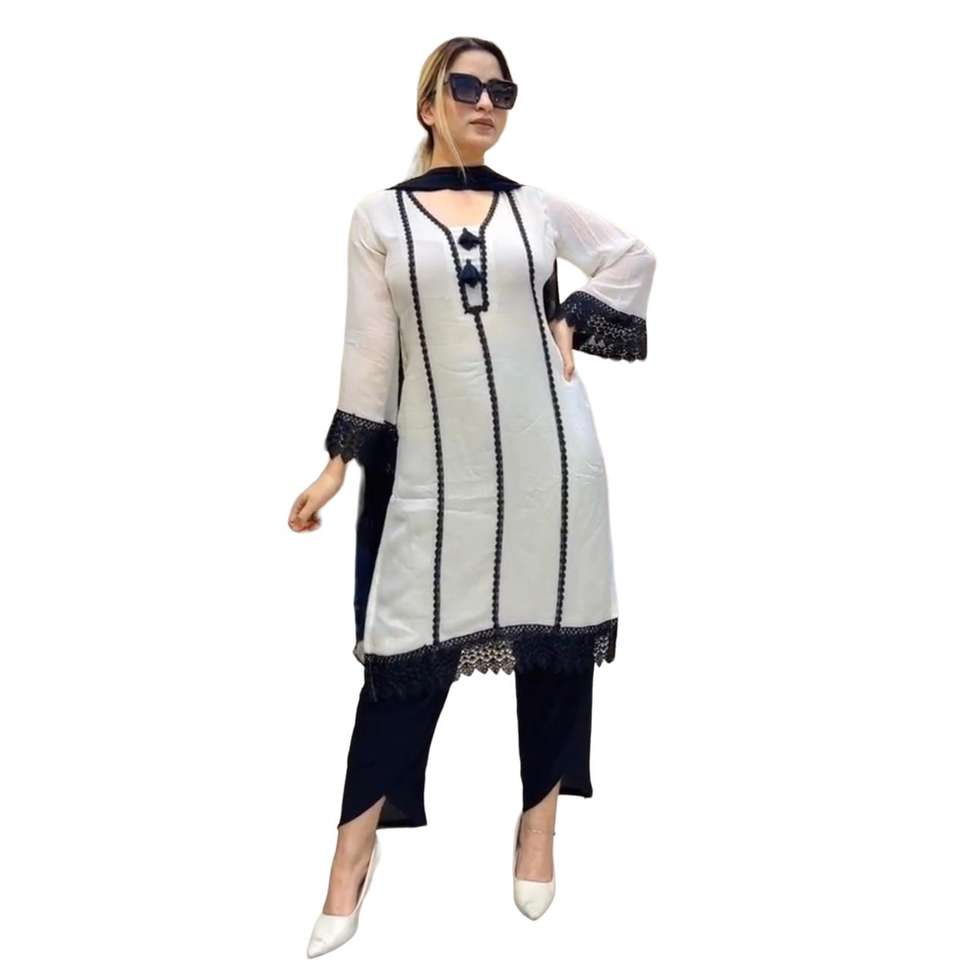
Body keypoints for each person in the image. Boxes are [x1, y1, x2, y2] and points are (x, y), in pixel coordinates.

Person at [287, 35, 656, 955]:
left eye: (501, 90)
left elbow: (631, 255)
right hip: (438, 474)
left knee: (557, 642)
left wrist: (571, 317)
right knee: (403, 653)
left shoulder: (537, 209)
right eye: (466, 87)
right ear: (429, 104)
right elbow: (369, 350)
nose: (486, 102)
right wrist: (336, 464)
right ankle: (351, 858)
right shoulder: (379, 216)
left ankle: (539, 827)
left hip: (553, 463)